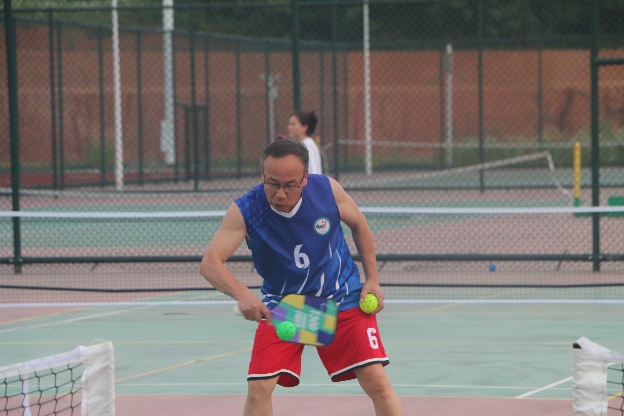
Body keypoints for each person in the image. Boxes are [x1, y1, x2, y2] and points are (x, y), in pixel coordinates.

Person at [200, 139, 403, 416]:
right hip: (286, 307)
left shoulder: (327, 191)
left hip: (341, 297)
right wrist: (243, 294)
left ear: (305, 178)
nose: (280, 193)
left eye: (290, 185)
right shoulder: (247, 210)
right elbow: (210, 263)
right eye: (272, 183)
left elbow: (360, 225)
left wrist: (372, 280)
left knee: (377, 383)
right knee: (259, 388)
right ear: (262, 175)